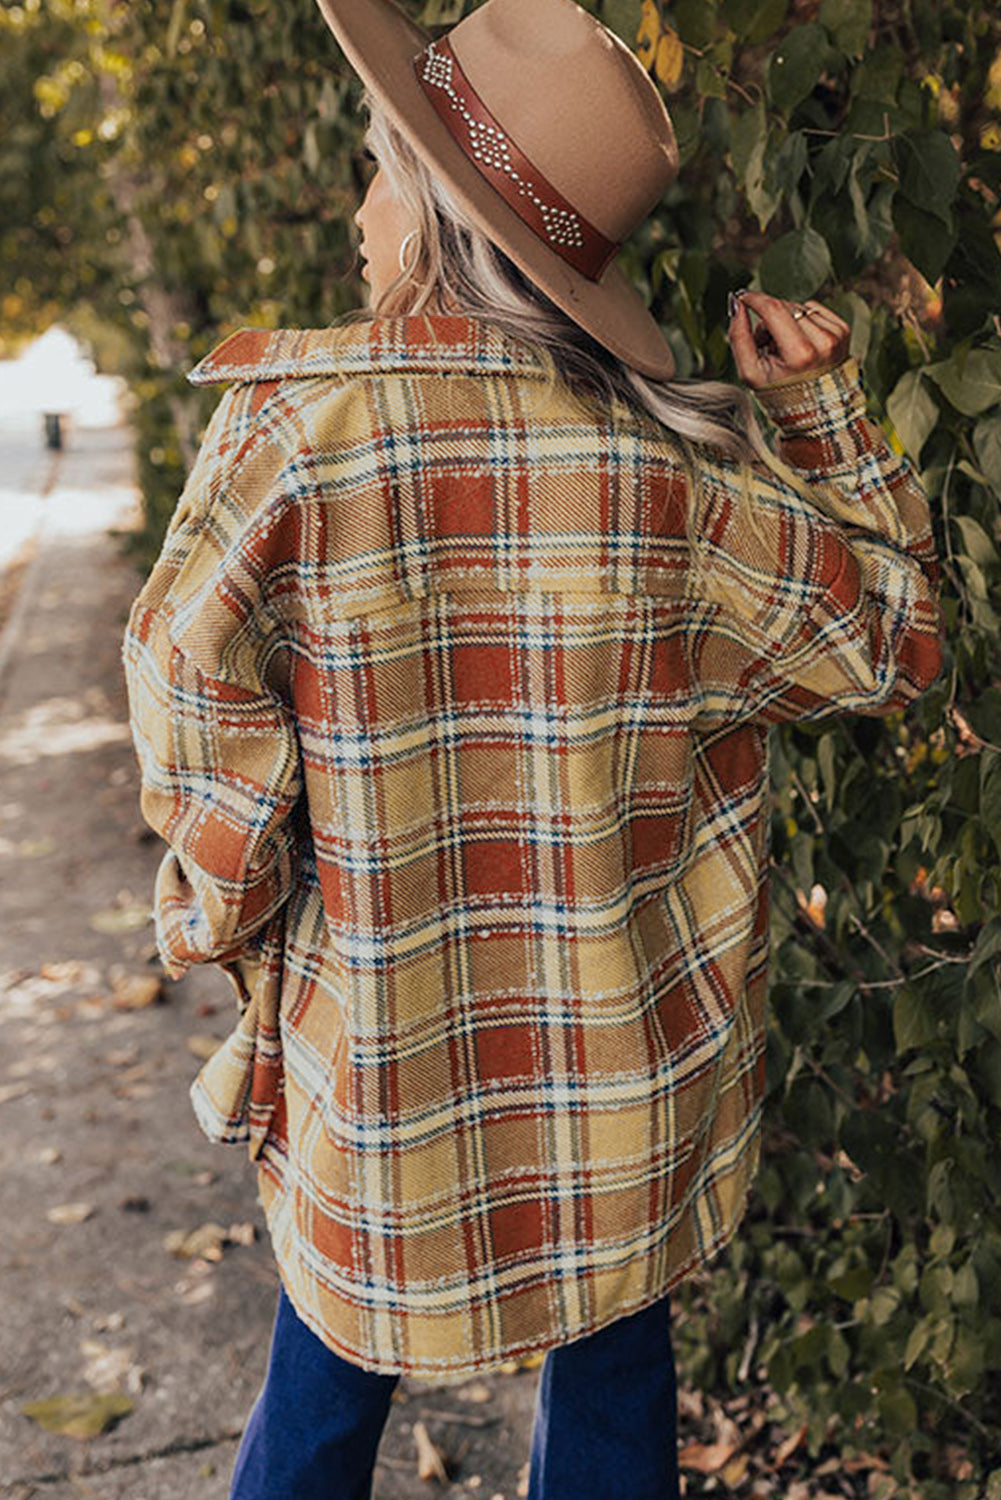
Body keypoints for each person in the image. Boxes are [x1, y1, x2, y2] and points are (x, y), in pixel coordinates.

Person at [121, 0, 944, 1495]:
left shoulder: (292, 435)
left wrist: (238, 926)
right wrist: (817, 416)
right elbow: (891, 645)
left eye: (383, 173)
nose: (364, 212)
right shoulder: (673, 477)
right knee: (615, 1366)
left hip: (375, 1058)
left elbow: (189, 704)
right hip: (616, 1077)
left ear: (435, 213)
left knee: (321, 1385)